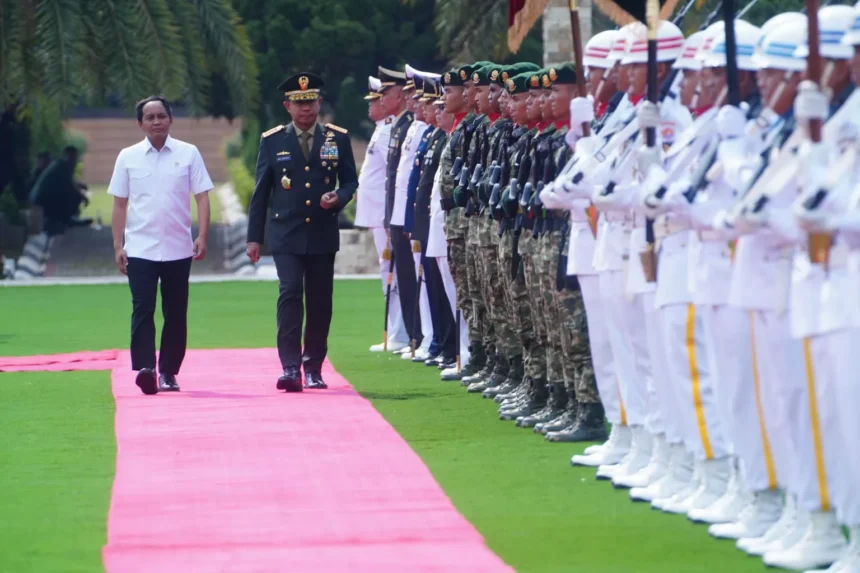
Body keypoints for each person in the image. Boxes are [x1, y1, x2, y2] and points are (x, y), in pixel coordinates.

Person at [246, 72, 358, 392]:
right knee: (291, 292)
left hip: (322, 232)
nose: (306, 110)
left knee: (320, 300)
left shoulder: (338, 138)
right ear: (287, 106)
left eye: (310, 102)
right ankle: (291, 367)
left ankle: (313, 366)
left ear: (319, 103)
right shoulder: (272, 140)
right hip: (286, 233)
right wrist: (255, 238)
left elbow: (350, 180)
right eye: (299, 103)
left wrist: (340, 197)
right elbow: (261, 193)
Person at [108, 95, 213, 395]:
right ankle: (145, 368)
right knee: (142, 308)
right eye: (150, 117)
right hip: (140, 248)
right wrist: (118, 245)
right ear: (140, 123)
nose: (156, 122)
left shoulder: (188, 153)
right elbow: (119, 204)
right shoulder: (127, 157)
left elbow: (202, 196)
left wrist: (202, 235)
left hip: (179, 248)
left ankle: (168, 372)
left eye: (161, 116)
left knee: (176, 311)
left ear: (170, 119)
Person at [30, 146, 93, 234]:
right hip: (41, 202)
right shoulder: (63, 166)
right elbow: (69, 187)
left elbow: (67, 183)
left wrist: (78, 186)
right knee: (74, 196)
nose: (74, 162)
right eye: (72, 158)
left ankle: (64, 219)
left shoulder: (59, 165)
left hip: (40, 200)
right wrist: (83, 197)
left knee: (73, 194)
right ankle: (64, 220)